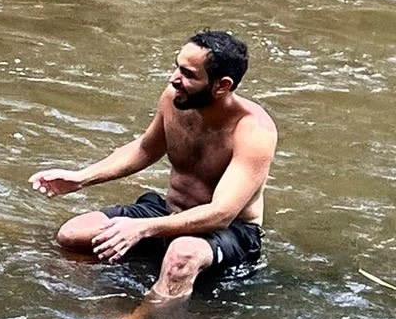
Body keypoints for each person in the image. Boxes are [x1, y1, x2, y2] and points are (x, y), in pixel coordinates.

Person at [31, 30, 274, 301]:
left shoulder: (254, 130)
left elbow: (221, 214)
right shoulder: (174, 99)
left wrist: (142, 228)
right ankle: (118, 282)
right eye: (176, 67)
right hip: (167, 212)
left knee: (181, 256)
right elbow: (145, 148)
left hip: (228, 232)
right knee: (72, 234)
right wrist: (80, 178)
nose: (174, 79)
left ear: (222, 86)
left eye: (188, 74)